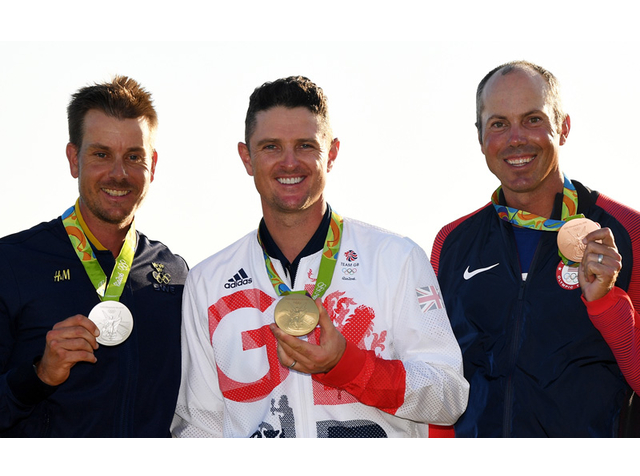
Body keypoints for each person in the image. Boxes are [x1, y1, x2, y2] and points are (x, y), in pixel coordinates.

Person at [172, 76, 469, 438]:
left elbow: (449, 397)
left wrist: (348, 365)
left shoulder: (396, 259)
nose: (289, 162)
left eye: (305, 145)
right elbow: (200, 427)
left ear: (332, 152)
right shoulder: (208, 281)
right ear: (246, 157)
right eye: (270, 147)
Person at [431, 61, 640, 437]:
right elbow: (442, 381)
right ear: (480, 139)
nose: (515, 139)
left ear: (563, 127)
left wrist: (606, 304)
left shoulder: (628, 231)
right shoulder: (451, 243)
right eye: (498, 124)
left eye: (532, 119)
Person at [0, 76, 188, 437]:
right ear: (74, 159)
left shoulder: (175, 274)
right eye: (101, 154)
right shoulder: (13, 264)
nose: (119, 173)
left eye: (134, 157)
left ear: (153, 165)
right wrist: (39, 375)